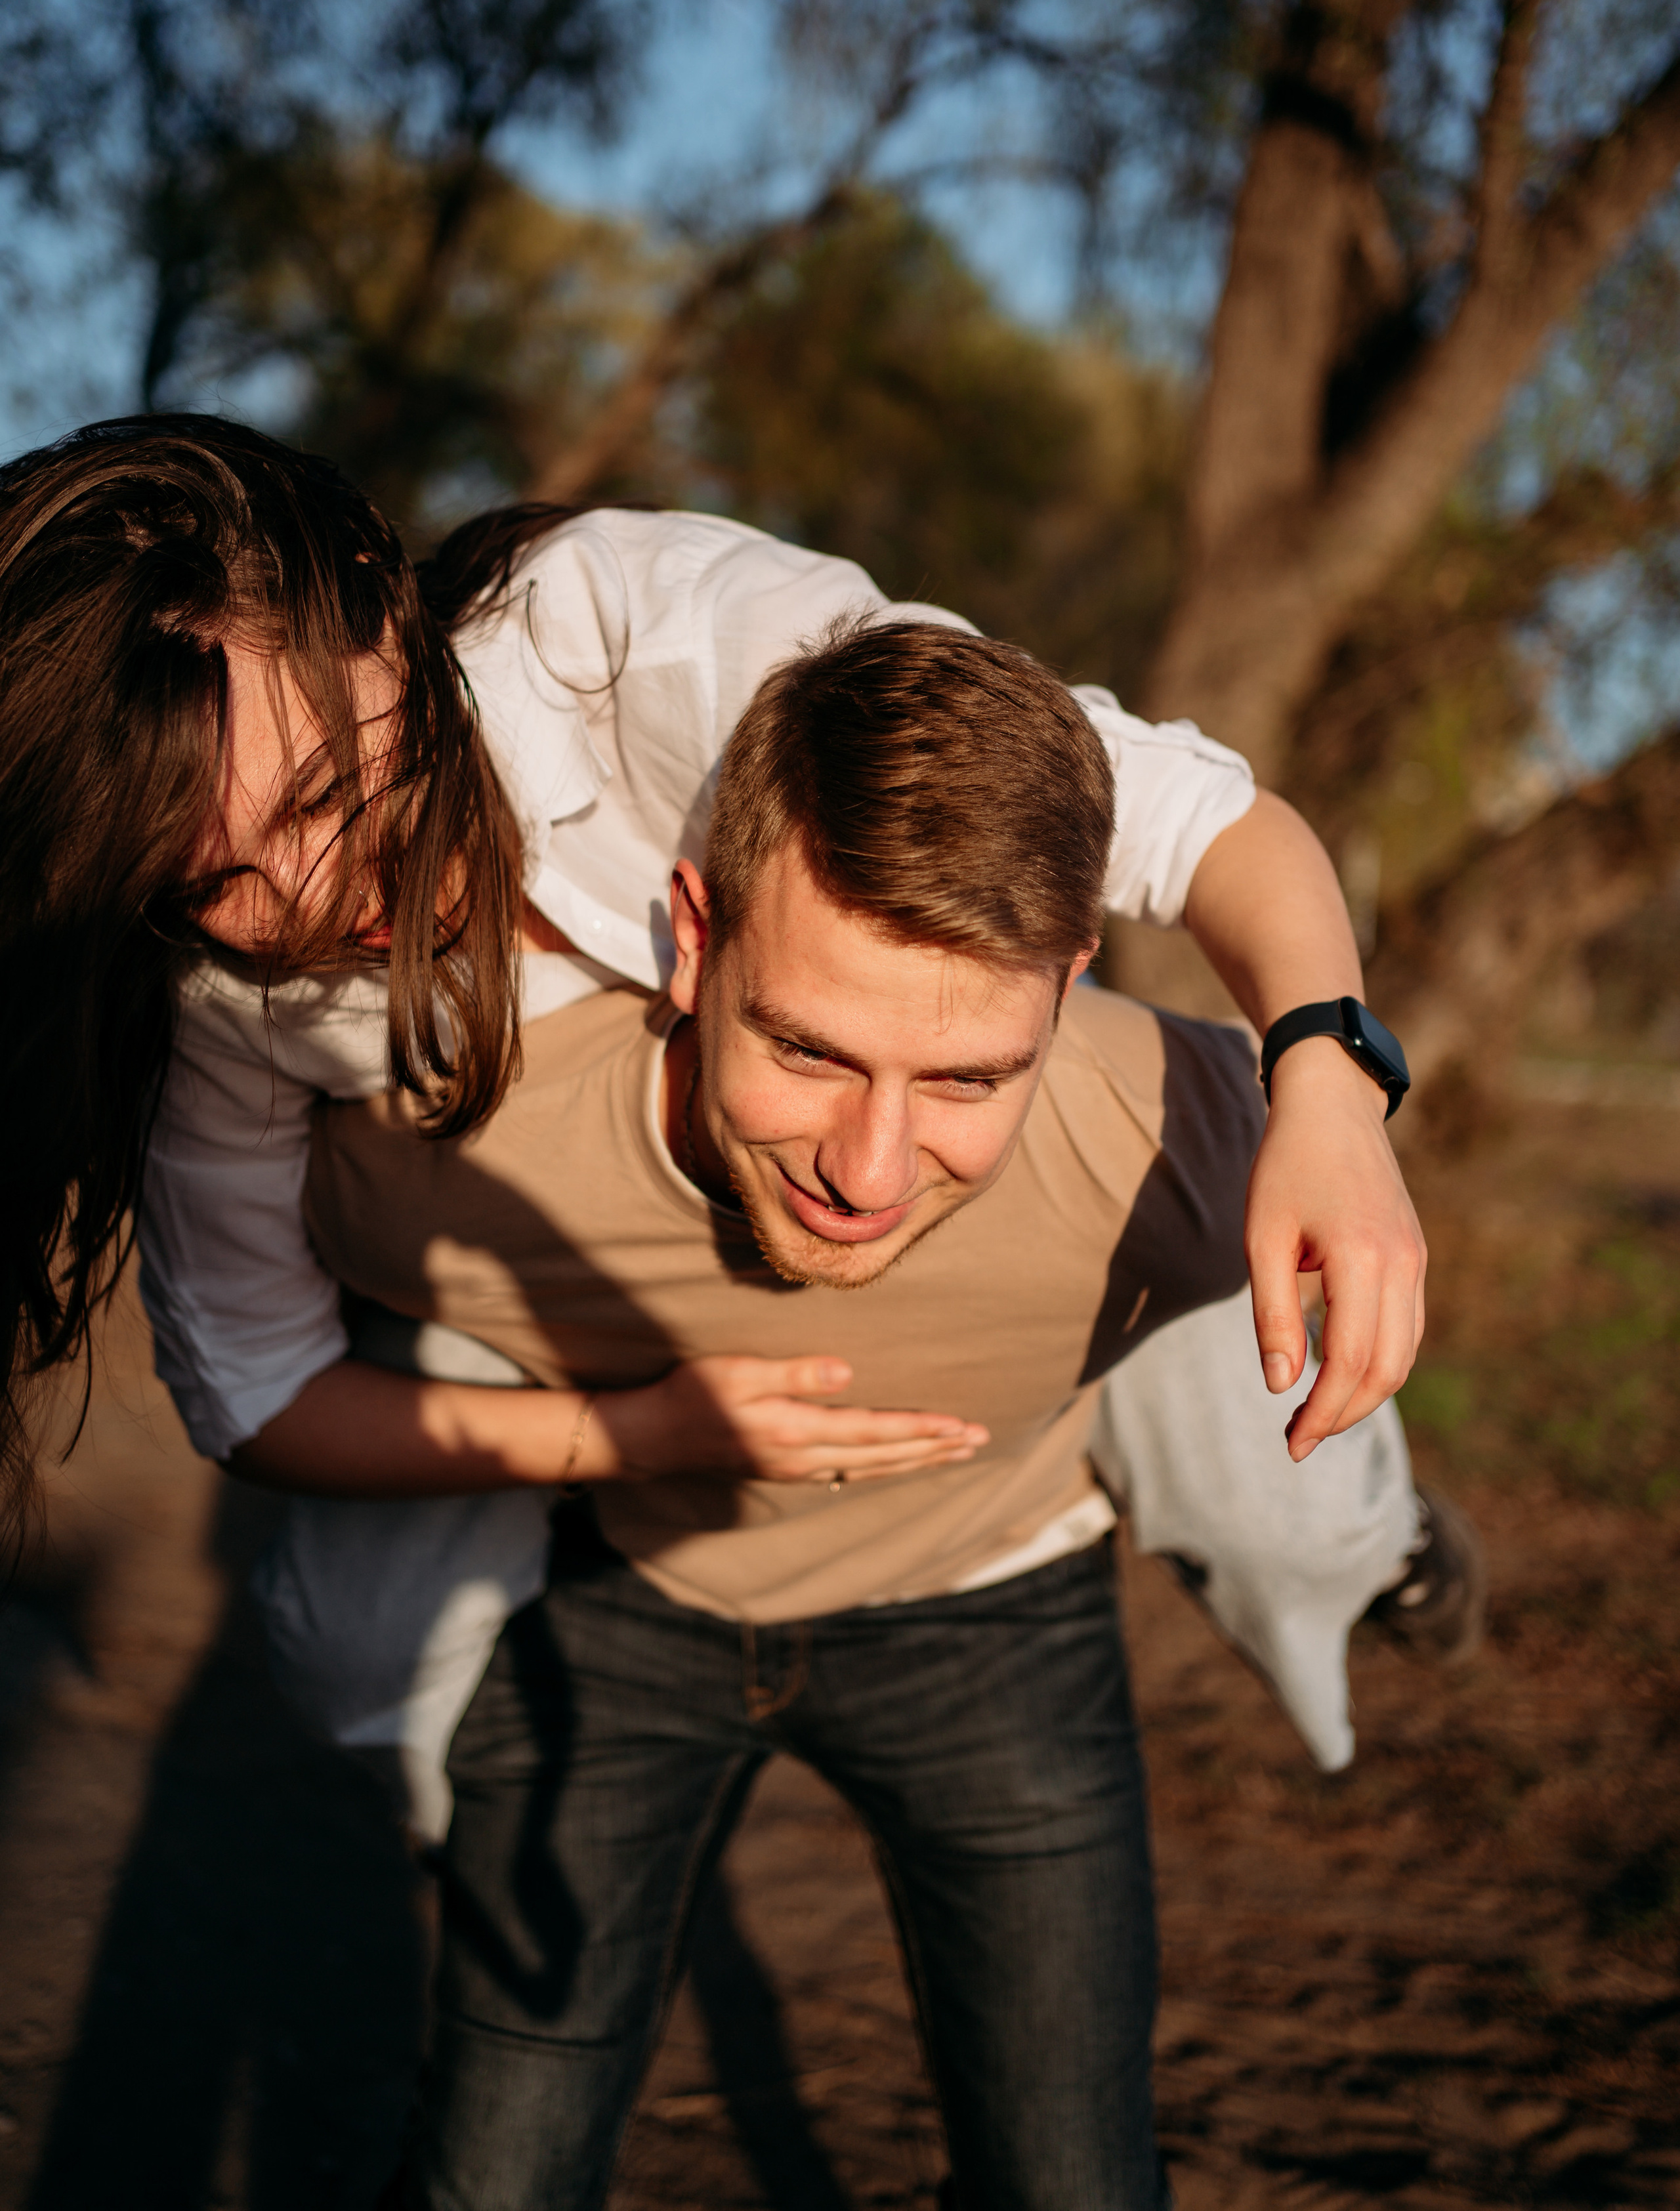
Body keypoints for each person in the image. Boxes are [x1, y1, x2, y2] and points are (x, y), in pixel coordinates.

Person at [0, 413, 1450, 1816]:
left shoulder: (669, 643)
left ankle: (1361, 1533)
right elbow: (257, 1397)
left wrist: (1330, 1082)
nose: (309, 903)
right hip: (560, 1282)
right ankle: (509, 1824)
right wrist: (624, 1436)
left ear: (382, 608)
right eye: (212, 881)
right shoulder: (215, 1002)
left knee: (1285, 1496)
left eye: (324, 796)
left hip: (931, 1149)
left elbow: (1209, 826)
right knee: (349, 1647)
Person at [292, 615, 1408, 2209]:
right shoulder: (425, 1163)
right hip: (629, 1610)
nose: (868, 1174)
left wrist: (1342, 1101)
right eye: (806, 1050)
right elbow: (255, 1368)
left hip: (994, 1609)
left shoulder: (1169, 1132)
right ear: (692, 936)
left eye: (962, 1080)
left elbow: (1324, 1132)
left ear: (1065, 982)